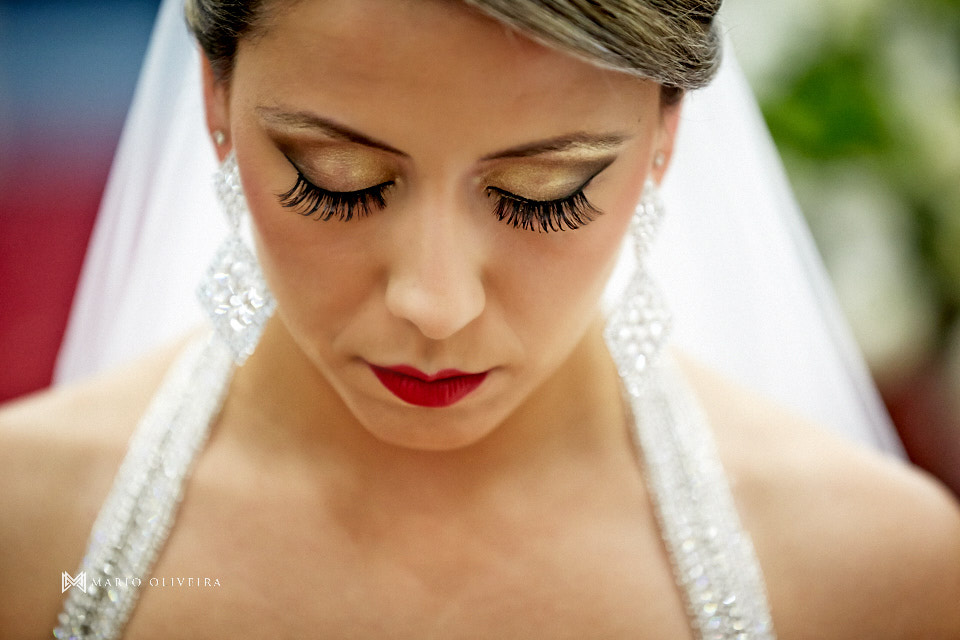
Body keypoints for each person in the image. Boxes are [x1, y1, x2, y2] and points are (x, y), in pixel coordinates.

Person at [1, 0, 958, 638]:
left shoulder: (879, 575)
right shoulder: (23, 528)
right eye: (339, 180)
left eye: (545, 193)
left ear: (667, 132)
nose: (435, 303)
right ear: (216, 95)